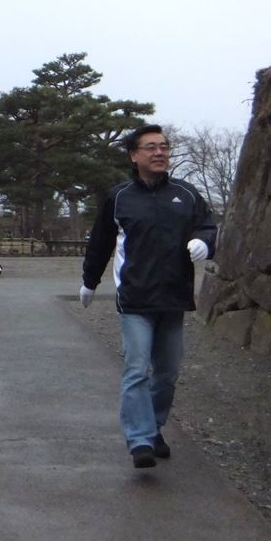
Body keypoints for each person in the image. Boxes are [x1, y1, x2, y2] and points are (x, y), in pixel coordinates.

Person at [80, 124, 216, 469]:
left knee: (167, 373)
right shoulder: (120, 196)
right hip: (135, 297)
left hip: (174, 296)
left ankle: (153, 427)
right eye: (151, 147)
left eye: (165, 146)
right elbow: (100, 242)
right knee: (137, 367)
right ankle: (139, 439)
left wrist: (205, 242)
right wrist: (89, 281)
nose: (160, 152)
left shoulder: (186, 194)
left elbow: (207, 225)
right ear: (133, 155)